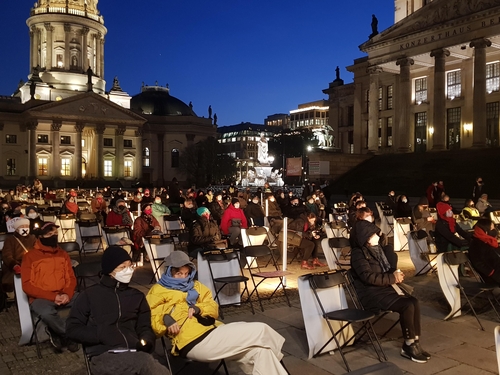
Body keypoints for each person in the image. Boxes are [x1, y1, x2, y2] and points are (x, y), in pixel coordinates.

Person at [146, 251, 288, 375]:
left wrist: (199, 308)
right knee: (261, 329)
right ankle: (280, 359)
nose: (184, 278)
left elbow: (213, 307)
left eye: (186, 273)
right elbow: (150, 319)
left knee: (262, 352)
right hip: (192, 340)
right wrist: (166, 319)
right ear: (169, 271)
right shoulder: (158, 291)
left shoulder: (196, 285)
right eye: (179, 273)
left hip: (214, 330)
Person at [66, 246, 169, 375]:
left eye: (130, 266)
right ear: (110, 271)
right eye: (122, 267)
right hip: (104, 354)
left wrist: (147, 340)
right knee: (146, 364)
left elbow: (145, 327)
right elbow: (72, 329)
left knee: (145, 362)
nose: (128, 270)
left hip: (134, 351)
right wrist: (101, 334)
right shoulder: (89, 295)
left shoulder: (137, 296)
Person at [350, 220, 430, 363]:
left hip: (383, 288)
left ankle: (415, 341)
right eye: (373, 234)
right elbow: (368, 277)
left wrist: (395, 274)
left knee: (413, 301)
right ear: (364, 237)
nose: (377, 236)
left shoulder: (377, 249)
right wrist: (392, 278)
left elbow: (384, 269)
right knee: (406, 305)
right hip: (371, 293)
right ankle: (409, 344)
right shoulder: (358, 254)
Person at [21, 222, 79, 352]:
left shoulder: (63, 254)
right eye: (49, 234)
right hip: (41, 297)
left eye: (55, 234)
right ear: (40, 236)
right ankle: (67, 335)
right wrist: (53, 297)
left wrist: (66, 294)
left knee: (87, 300)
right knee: (47, 312)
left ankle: (60, 332)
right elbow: (27, 285)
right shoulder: (30, 256)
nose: (53, 236)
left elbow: (71, 278)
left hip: (63, 293)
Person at [1, 218, 36, 297]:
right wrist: (14, 265)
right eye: (22, 226)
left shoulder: (33, 239)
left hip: (31, 264)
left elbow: (37, 251)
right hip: (16, 265)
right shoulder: (10, 240)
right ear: (16, 229)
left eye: (26, 226)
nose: (25, 228)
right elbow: (7, 255)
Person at [468, 218, 500, 284]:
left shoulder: (489, 241)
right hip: (492, 276)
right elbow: (478, 263)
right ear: (485, 230)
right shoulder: (476, 244)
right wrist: (492, 273)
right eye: (492, 228)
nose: (494, 230)